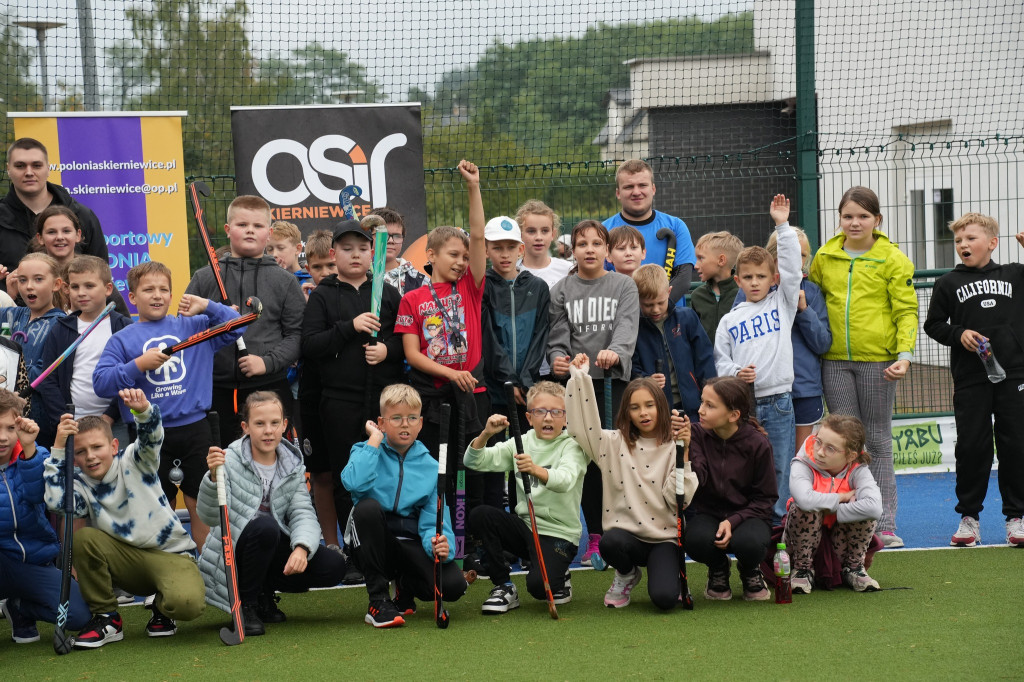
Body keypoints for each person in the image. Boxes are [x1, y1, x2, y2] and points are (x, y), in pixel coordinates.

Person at [93, 261, 244, 550]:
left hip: (196, 429)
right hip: (149, 435)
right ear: (132, 297)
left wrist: (206, 304)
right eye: (148, 289)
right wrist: (138, 365)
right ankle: (168, 568)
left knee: (202, 499)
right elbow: (102, 383)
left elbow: (237, 327)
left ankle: (210, 567)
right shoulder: (122, 340)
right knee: (155, 503)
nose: (157, 295)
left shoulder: (194, 325)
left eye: (164, 289)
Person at [44, 389, 206, 648]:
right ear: (74, 458)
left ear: (114, 446)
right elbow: (58, 503)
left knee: (188, 604)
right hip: (123, 561)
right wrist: (58, 450)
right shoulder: (80, 483)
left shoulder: (134, 460)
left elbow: (151, 439)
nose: (91, 456)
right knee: (83, 537)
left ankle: (163, 607)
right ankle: (107, 618)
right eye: (82, 451)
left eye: (97, 447)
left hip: (169, 555)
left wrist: (143, 411)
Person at [809, 186, 918, 548]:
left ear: (877, 220)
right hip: (835, 362)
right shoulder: (824, 257)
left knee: (878, 441)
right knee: (840, 444)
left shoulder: (892, 258)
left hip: (880, 363)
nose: (855, 223)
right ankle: (844, 517)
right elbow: (813, 304)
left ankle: (884, 522)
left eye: (863, 216)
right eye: (848, 216)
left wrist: (903, 355)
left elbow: (906, 311)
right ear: (839, 219)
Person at [301, 219, 404, 584]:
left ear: (372, 253)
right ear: (334, 254)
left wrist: (386, 349)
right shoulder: (323, 295)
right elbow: (309, 345)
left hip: (383, 401)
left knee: (387, 475)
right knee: (349, 479)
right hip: (339, 403)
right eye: (347, 249)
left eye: (362, 248)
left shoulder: (387, 292)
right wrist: (350, 327)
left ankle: (392, 547)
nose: (356, 254)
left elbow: (404, 340)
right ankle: (354, 555)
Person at [197, 391, 347, 636]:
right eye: (259, 423)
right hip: (234, 554)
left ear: (284, 425)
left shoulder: (292, 463)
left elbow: (302, 512)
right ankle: (247, 604)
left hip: (268, 546)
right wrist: (213, 478)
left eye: (274, 423)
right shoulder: (228, 460)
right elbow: (210, 517)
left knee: (334, 565)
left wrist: (301, 548)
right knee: (265, 527)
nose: (268, 430)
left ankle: (265, 591)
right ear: (245, 427)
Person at [924, 212, 1024, 547]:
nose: (963, 245)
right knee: (972, 446)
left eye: (971, 239)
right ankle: (969, 518)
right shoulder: (948, 283)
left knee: (1016, 444)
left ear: (992, 242)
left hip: (1016, 375)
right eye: (958, 240)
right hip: (971, 378)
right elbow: (934, 324)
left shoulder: (1015, 274)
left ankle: (1016, 518)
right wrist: (958, 332)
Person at [548, 219, 640, 568]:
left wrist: (615, 352)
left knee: (615, 458)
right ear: (573, 249)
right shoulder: (560, 289)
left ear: (607, 249)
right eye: (582, 243)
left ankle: (622, 528)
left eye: (596, 243)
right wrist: (560, 360)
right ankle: (595, 540)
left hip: (612, 384)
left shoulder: (623, 286)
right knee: (584, 458)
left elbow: (627, 327)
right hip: (578, 386)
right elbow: (557, 337)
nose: (589, 249)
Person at [395, 161, 488, 501]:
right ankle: (438, 534)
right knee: (437, 471)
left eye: (465, 257)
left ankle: (469, 542)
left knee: (469, 471)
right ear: (431, 255)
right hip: (431, 397)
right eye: (454, 255)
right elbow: (412, 354)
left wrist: (473, 187)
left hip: (468, 394)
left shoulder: (470, 288)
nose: (462, 262)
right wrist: (450, 374)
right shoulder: (412, 298)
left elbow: (477, 236)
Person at [565, 355, 689, 609]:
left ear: (661, 407)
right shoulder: (612, 443)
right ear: (627, 412)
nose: (643, 413)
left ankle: (669, 572)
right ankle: (626, 573)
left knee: (665, 600)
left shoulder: (674, 444)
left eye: (650, 405)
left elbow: (681, 499)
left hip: (664, 538)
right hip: (626, 538)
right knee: (609, 542)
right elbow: (581, 430)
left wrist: (684, 453)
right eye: (635, 407)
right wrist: (580, 378)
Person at [341, 384, 467, 628]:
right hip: (372, 542)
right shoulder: (365, 450)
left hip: (409, 543)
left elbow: (436, 518)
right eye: (396, 418)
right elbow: (353, 484)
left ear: (420, 423)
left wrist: (439, 544)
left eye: (411, 418)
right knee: (366, 507)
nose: (405, 424)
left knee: (453, 585)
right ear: (381, 421)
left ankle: (405, 586)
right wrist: (375, 439)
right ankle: (378, 601)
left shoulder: (431, 466)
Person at [185, 195, 306, 446]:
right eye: (242, 225)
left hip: (269, 387)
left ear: (269, 232)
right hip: (213, 389)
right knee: (220, 464)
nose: (250, 230)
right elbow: (185, 329)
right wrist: (217, 317)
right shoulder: (205, 277)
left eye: (258, 226)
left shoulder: (285, 281)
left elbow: (297, 334)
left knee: (271, 461)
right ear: (228, 230)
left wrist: (267, 362)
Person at [464, 381, 588, 613]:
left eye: (556, 412)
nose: (548, 418)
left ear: (566, 418)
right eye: (540, 412)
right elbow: (473, 461)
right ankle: (504, 586)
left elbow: (564, 480)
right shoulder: (521, 442)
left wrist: (535, 470)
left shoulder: (573, 446)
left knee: (539, 588)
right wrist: (486, 434)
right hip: (526, 527)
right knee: (481, 515)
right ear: (529, 418)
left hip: (559, 533)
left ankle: (560, 572)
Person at [714, 195, 801, 523]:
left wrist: (783, 226)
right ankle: (746, 524)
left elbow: (793, 269)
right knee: (743, 467)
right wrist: (736, 372)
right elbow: (720, 361)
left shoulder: (783, 304)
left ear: (772, 279)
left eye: (761, 277)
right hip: (743, 407)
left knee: (779, 468)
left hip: (778, 403)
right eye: (747, 277)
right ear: (737, 280)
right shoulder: (729, 320)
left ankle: (776, 528)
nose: (754, 282)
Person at [0, 389, 91, 644]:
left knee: (78, 615)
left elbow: (38, 495)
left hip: (34, 561)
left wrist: (29, 448)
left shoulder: (36, 455)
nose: (3, 437)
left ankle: (20, 608)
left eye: (10, 427)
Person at [735, 225, 831, 449]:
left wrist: (804, 311)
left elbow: (822, 343)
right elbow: (737, 334)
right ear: (773, 254)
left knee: (799, 460)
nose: (794, 259)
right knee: (767, 456)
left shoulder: (812, 292)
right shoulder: (751, 290)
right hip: (762, 390)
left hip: (803, 389)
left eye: (802, 255)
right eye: (787, 252)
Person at [685, 377, 777, 601]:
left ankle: (749, 569)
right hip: (709, 514)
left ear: (733, 415)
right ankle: (718, 566)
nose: (700, 410)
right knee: (694, 540)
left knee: (750, 543)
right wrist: (686, 448)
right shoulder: (696, 434)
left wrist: (733, 521)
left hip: (749, 516)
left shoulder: (758, 444)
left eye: (710, 405)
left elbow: (765, 499)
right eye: (702, 402)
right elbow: (698, 481)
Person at [480, 214, 550, 497]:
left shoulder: (538, 287)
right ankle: (495, 517)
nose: (505, 254)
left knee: (527, 455)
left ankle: (524, 517)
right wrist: (509, 380)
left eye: (511, 247)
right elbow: (489, 339)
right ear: (485, 250)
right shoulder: (483, 286)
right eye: (497, 247)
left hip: (526, 389)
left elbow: (540, 337)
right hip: (495, 389)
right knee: (495, 455)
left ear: (521, 249)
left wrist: (525, 380)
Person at [36, 256, 133, 449]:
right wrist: (64, 418)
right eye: (75, 287)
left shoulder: (124, 328)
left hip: (115, 422)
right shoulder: (61, 329)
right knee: (76, 475)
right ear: (66, 289)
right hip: (72, 423)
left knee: (116, 472)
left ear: (108, 289)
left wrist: (110, 416)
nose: (81, 293)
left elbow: (131, 376)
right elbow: (48, 379)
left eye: (89, 286)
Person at [786, 414, 882, 594]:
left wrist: (835, 511)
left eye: (830, 448)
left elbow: (874, 508)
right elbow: (804, 500)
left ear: (850, 455)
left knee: (865, 512)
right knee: (802, 508)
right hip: (802, 540)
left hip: (840, 539)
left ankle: (853, 567)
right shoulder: (803, 462)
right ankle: (802, 569)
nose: (820, 452)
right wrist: (841, 497)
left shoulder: (858, 468)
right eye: (818, 442)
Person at [0, 138, 108, 281]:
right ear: (8, 169)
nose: (29, 172)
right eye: (20, 166)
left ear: (48, 168)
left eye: (37, 165)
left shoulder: (82, 215)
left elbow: (101, 275)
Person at [294, 229, 340, 550]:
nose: (325, 274)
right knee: (321, 474)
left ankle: (359, 546)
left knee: (350, 476)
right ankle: (331, 546)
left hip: (346, 396)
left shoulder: (355, 295)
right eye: (318, 267)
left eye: (330, 267)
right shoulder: (298, 297)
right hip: (311, 396)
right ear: (307, 267)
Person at [602, 159, 696, 304]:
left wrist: (654, 309)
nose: (636, 192)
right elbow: (599, 279)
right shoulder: (603, 231)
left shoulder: (676, 226)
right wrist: (632, 311)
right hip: (620, 318)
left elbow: (683, 279)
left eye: (642, 185)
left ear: (653, 189)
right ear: (618, 193)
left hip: (668, 319)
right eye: (628, 187)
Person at [631, 264, 715, 422]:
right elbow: (631, 367)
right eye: (648, 305)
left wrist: (709, 399)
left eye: (660, 303)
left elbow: (705, 360)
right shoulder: (634, 327)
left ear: (669, 292)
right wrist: (646, 380)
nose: (655, 309)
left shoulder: (687, 318)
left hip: (694, 407)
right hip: (656, 410)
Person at [20, 207, 130, 316]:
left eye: (66, 231)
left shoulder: (94, 272)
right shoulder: (26, 276)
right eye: (51, 232)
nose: (59, 237)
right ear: (40, 238)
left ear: (78, 235)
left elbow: (123, 322)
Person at [0, 253, 67, 397]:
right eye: (22, 280)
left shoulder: (62, 324)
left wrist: (7, 371)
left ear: (56, 284)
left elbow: (46, 374)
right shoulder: (12, 314)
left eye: (38, 279)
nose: (29, 286)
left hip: (39, 412)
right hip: (9, 412)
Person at [690, 231, 744, 341]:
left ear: (721, 260)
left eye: (701, 258)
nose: (695, 266)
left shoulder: (743, 294)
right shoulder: (697, 296)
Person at [372, 206, 429, 297]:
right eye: (383, 235)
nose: (391, 241)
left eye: (397, 236)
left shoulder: (419, 281)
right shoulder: (356, 275)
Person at [517, 199, 572, 289]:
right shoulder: (512, 271)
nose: (539, 237)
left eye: (545, 231)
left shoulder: (567, 270)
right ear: (520, 234)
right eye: (531, 231)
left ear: (553, 234)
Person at [266, 220, 312, 292]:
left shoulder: (313, 278)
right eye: (269, 249)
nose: (274, 254)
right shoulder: (266, 281)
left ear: (298, 249)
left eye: (281, 248)